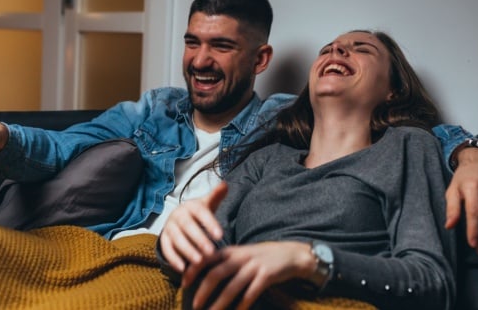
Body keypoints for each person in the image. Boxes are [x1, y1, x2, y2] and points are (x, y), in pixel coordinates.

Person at [0, 0, 478, 255]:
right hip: (113, 246)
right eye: (192, 42)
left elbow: (403, 126)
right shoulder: (151, 111)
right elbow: (62, 148)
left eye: (222, 47)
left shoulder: (289, 121)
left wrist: (474, 152)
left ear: (260, 58)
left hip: (182, 268)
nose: (200, 62)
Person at [158, 30, 456, 309]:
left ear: (393, 90)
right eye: (327, 50)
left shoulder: (407, 145)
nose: (336, 49)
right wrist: (178, 238)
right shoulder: (267, 158)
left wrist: (309, 260)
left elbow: (432, 281)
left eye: (361, 49)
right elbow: (206, 253)